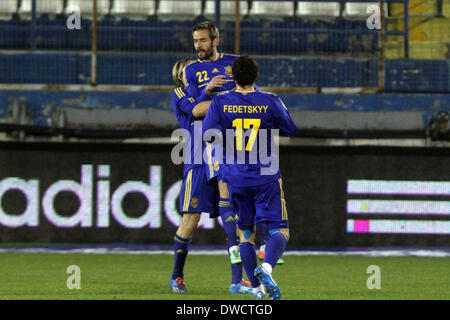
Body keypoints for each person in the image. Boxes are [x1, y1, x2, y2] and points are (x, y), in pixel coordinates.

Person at [202, 55, 296, 300]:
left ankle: (256, 289)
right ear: (256, 76)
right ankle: (266, 268)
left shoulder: (221, 102)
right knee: (281, 231)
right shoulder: (271, 101)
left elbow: (207, 135)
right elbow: (290, 128)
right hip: (266, 174)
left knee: (246, 234)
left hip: (236, 175)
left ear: (233, 77)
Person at [169, 58, 251, 295]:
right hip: (197, 159)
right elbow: (196, 110)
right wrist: (227, 97)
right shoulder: (180, 93)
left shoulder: (215, 91)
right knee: (191, 219)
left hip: (222, 153)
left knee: (235, 214)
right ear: (180, 76)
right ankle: (177, 275)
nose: (197, 74)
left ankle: (237, 280)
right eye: (189, 71)